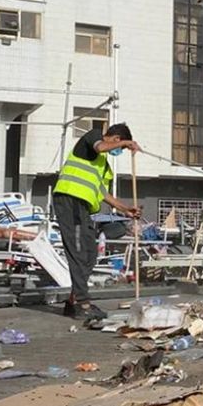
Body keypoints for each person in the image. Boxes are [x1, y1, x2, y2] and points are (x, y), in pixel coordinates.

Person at [54, 122, 140, 321]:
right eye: (119, 147)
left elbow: (102, 193)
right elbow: (101, 146)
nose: (117, 151)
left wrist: (125, 209)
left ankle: (73, 300)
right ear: (116, 139)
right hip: (70, 200)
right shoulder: (92, 137)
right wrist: (129, 142)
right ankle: (83, 303)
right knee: (78, 251)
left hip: (82, 208)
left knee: (91, 253)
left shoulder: (101, 165)